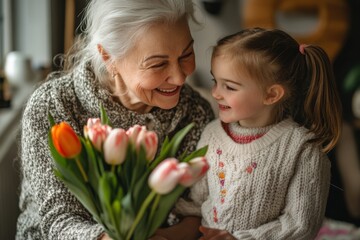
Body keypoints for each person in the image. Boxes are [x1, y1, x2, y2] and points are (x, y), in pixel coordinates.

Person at [16, 0, 214, 239]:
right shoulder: (53, 106)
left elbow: (200, 211)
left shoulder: (194, 112)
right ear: (108, 57)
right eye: (158, 64)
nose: (180, 77)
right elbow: (59, 220)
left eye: (186, 54)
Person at [175, 27, 342, 239]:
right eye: (215, 81)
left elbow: (300, 225)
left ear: (271, 95)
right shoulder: (212, 134)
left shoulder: (302, 149)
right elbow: (197, 203)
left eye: (230, 87)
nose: (216, 93)